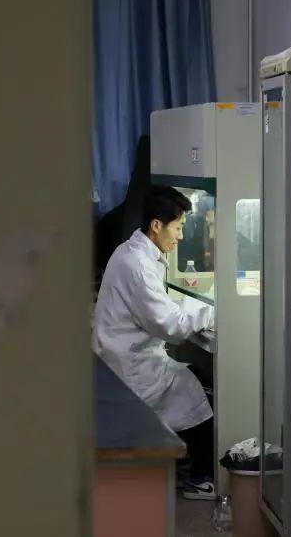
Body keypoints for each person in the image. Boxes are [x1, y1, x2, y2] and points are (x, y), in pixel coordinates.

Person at [92, 185, 216, 500]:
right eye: (178, 227)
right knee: (195, 392)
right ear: (157, 225)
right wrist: (210, 313)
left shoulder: (132, 251)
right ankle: (201, 479)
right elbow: (171, 326)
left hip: (122, 356)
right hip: (131, 366)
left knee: (192, 384)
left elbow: (157, 310)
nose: (181, 236)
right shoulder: (137, 265)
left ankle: (181, 457)